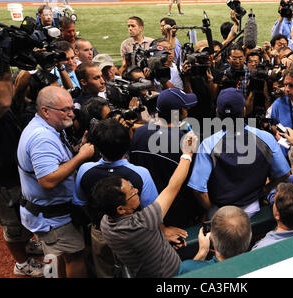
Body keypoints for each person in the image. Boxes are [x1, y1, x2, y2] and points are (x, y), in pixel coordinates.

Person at [94, 131, 198, 278]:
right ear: (121, 209)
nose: (136, 190)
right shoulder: (142, 222)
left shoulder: (106, 223)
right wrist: (187, 154)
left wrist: (159, 240)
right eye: (132, 193)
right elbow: (173, 187)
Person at [17, 86, 95, 278]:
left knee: (54, 255)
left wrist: (76, 150)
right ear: (45, 110)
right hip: (53, 217)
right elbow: (47, 180)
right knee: (74, 256)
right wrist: (81, 157)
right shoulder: (42, 137)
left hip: (47, 213)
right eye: (65, 110)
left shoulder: (46, 127)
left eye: (71, 108)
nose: (71, 114)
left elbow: (56, 161)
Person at [0, 59, 44, 277]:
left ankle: (27, 243)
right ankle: (22, 264)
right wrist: (5, 70)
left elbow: (16, 90)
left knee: (21, 214)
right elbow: (2, 103)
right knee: (12, 225)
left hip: (9, 176)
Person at [73, 118, 159, 277]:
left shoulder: (85, 169)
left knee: (105, 272)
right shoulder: (141, 173)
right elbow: (152, 209)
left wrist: (96, 220)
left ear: (98, 148)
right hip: (134, 233)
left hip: (100, 231)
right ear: (128, 144)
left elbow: (81, 202)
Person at [188, 88, 291, 219]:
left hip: (221, 213)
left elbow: (198, 189)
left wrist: (211, 208)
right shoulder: (265, 138)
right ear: (243, 110)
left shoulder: (208, 144)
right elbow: (284, 173)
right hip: (252, 208)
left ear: (217, 113)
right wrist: (265, 190)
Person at [130, 88, 202, 228]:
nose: (188, 111)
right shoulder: (186, 142)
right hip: (177, 212)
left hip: (144, 210)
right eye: (186, 108)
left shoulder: (138, 132)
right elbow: (193, 185)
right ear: (180, 112)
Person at [176, 206, 252, 275]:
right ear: (249, 236)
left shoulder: (187, 267)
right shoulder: (260, 264)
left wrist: (202, 252)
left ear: (212, 239)